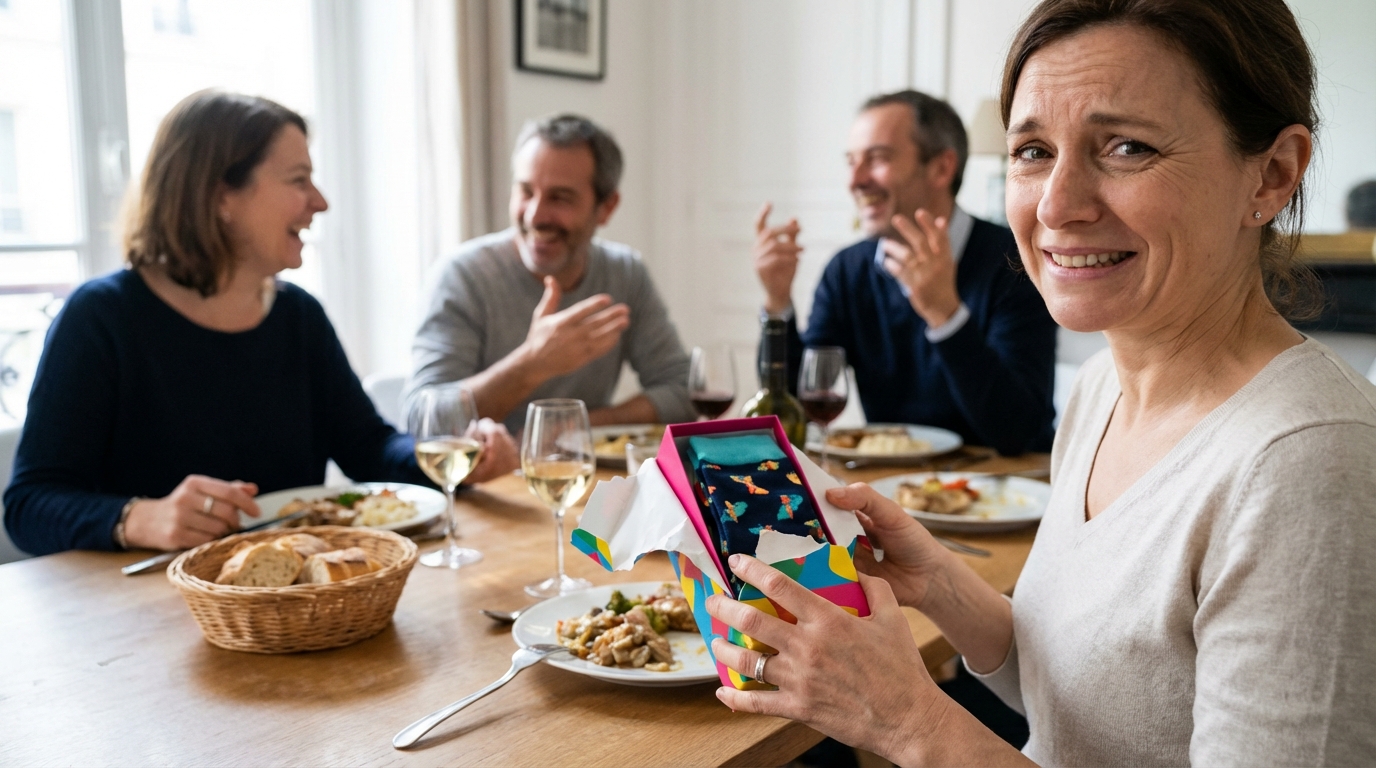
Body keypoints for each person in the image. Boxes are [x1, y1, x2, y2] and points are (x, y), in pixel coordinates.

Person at [707, 1, 1376, 765]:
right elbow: (1097, 706)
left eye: (1126, 147)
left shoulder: (1309, 466)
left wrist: (908, 722)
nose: (1057, 204)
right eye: (1032, 150)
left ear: (1273, 174)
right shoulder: (1101, 391)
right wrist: (945, 588)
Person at [2, 91, 517, 557]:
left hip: (290, 608)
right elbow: (29, 505)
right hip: (144, 616)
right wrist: (139, 517)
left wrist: (455, 460)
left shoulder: (298, 316)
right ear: (219, 195)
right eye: (298, 180)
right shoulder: (101, 317)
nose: (320, 202)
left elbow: (370, 450)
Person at [754, 90, 1057, 455]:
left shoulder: (1015, 261)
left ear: (942, 168)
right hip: (888, 486)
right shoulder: (847, 270)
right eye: (851, 162)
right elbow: (797, 406)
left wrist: (945, 315)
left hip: (1003, 493)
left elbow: (1017, 432)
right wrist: (777, 303)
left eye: (877, 159)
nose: (856, 180)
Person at [406, 114, 695, 433]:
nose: (535, 215)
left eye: (560, 198)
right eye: (526, 191)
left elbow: (683, 392)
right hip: (480, 480)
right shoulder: (463, 276)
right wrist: (531, 364)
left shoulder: (624, 273)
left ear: (607, 207)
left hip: (581, 477)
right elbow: (421, 421)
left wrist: (571, 428)